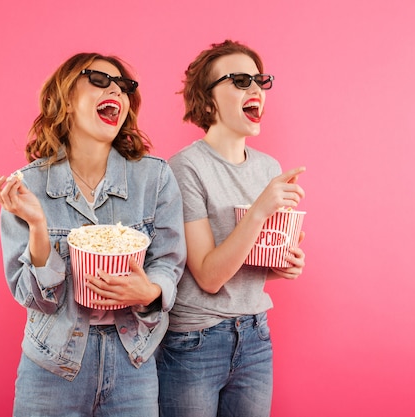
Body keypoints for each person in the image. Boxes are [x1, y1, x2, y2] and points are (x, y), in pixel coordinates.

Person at [0, 52, 186, 417]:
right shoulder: (27, 186)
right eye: (100, 79)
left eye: (124, 86)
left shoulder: (155, 178)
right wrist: (37, 226)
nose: (117, 90)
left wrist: (151, 292)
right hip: (52, 363)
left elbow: (169, 261)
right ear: (65, 99)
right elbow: (36, 299)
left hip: (134, 360)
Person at [155, 40, 306, 417]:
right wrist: (260, 210)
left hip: (255, 335)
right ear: (208, 101)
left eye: (259, 80)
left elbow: (249, 260)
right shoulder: (184, 169)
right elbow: (208, 275)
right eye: (240, 80)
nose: (255, 89)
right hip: (195, 342)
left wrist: (281, 264)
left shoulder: (268, 169)